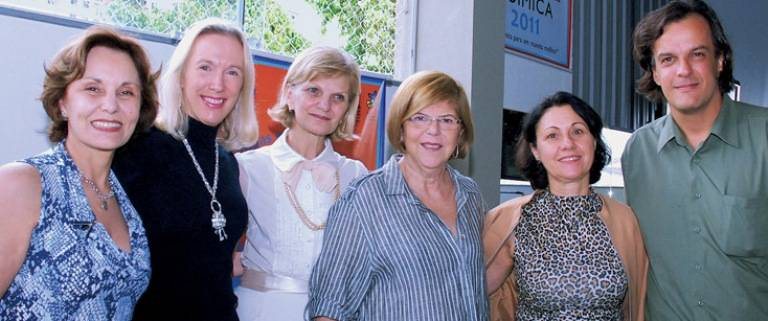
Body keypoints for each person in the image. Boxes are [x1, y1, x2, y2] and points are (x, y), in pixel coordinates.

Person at [0, 26, 158, 320]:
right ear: (62, 102)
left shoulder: (123, 200)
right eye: (93, 88)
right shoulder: (22, 184)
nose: (111, 106)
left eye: (126, 92)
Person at [623, 0, 768, 319]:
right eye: (668, 59)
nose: (683, 70)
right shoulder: (638, 152)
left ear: (720, 60)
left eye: (697, 54)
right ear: (656, 72)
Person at [307, 70, 488, 321]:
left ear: (461, 132)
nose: (433, 131)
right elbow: (330, 309)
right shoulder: (363, 202)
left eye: (447, 120)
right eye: (419, 118)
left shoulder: (470, 195)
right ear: (401, 129)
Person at [112, 18, 259, 321]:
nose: (218, 84)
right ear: (180, 76)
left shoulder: (228, 162)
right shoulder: (137, 148)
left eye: (232, 72)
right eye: (205, 67)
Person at [484, 92, 648, 321]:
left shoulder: (625, 220)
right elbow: (471, 294)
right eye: (552, 135)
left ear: (593, 140)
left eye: (578, 131)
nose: (568, 144)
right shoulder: (513, 221)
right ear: (535, 150)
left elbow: (641, 303)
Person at [233, 46, 368, 321]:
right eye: (314, 90)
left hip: (336, 314)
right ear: (289, 94)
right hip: (261, 310)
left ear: (347, 109)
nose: (324, 105)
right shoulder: (248, 167)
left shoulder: (356, 175)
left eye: (338, 97)